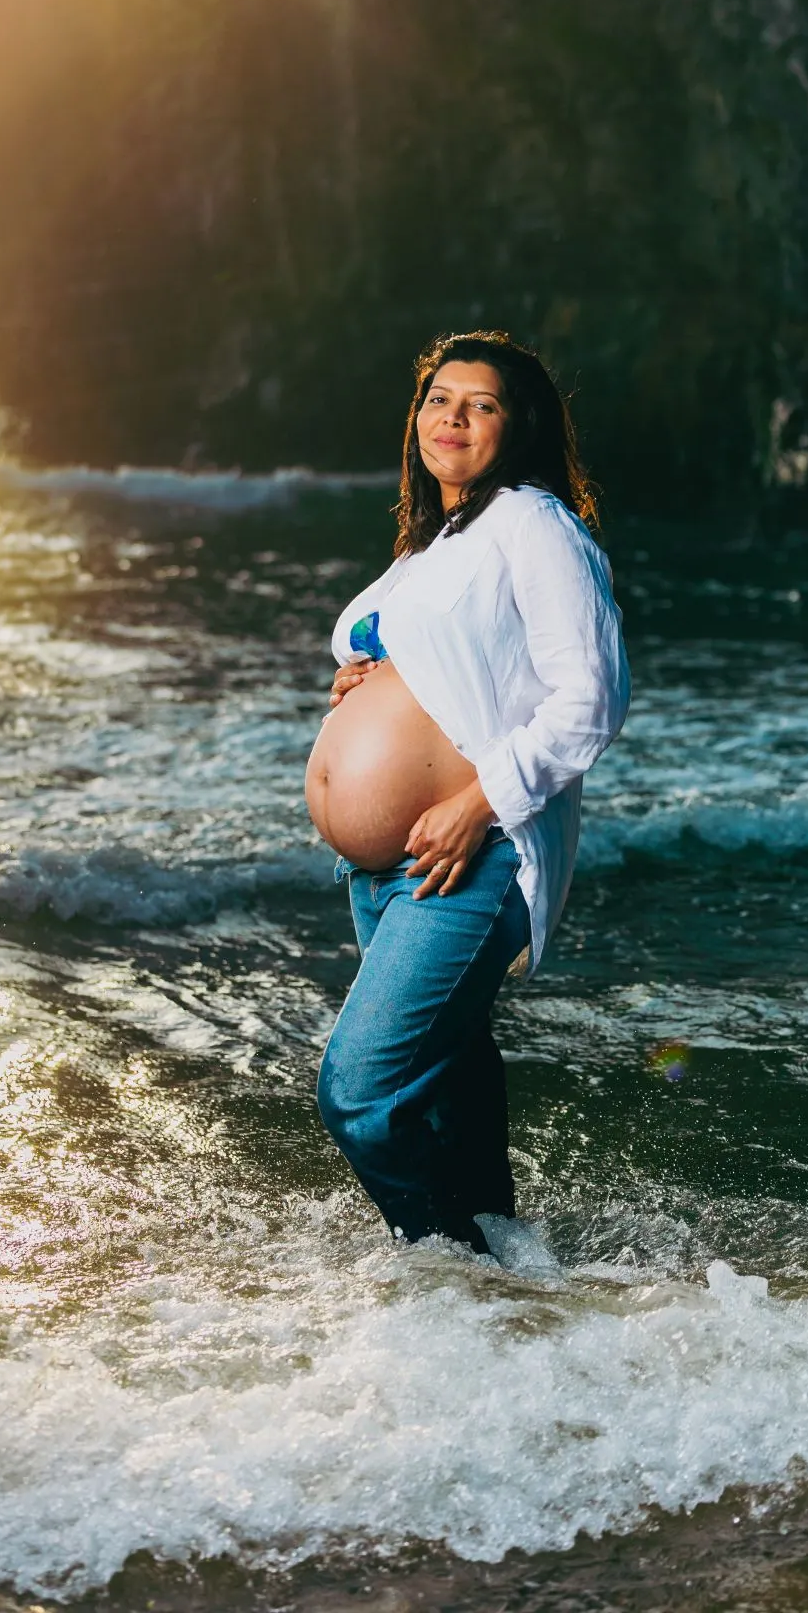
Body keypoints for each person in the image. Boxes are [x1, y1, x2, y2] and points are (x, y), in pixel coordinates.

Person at [305, 329, 630, 1260]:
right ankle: (504, 1258)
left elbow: (590, 702)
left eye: (479, 404)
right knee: (441, 1075)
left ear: (515, 427)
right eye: (438, 398)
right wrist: (366, 680)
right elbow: (454, 669)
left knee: (360, 1089)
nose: (451, 417)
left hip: (468, 857)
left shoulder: (534, 522)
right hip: (390, 868)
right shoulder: (437, 541)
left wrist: (476, 800)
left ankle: (453, 1269)